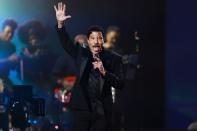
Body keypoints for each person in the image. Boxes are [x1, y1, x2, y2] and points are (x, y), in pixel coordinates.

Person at [54, 2, 125, 131]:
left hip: (102, 109)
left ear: (103, 41)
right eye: (92, 38)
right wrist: (60, 24)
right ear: (88, 41)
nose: (96, 41)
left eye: (99, 38)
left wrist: (105, 72)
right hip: (82, 107)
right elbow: (66, 43)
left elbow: (120, 83)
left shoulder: (113, 58)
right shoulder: (81, 54)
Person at [0, 19, 18, 86]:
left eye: (12, 33)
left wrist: (16, 61)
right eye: (8, 32)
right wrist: (8, 60)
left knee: (22, 93)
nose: (10, 35)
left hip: (4, 78)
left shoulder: (12, 46)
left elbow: (12, 68)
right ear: (1, 31)